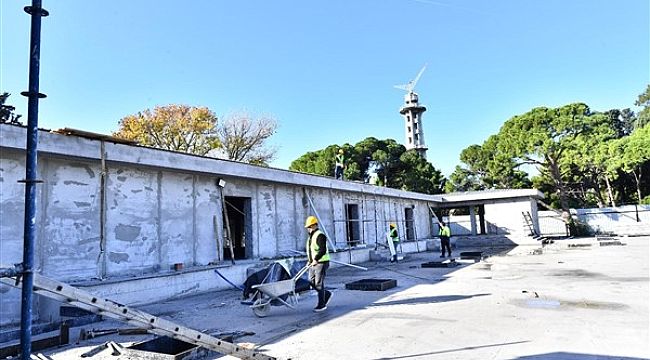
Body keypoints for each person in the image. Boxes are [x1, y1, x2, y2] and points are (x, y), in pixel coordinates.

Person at [304, 216, 332, 312]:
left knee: (318, 284)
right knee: (311, 281)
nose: (309, 229)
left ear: (315, 225)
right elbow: (312, 250)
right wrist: (310, 260)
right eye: (308, 227)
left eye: (310, 226)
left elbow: (322, 250)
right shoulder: (311, 237)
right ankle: (326, 294)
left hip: (321, 262)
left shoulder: (320, 235)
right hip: (314, 263)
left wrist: (316, 259)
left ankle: (322, 305)